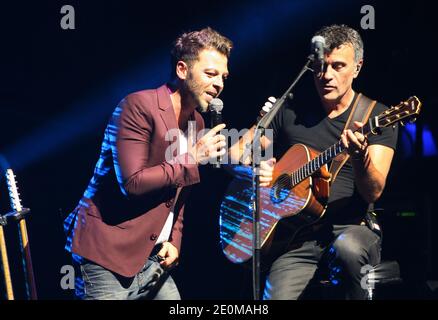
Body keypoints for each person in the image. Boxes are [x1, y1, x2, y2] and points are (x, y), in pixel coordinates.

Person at [228, 24, 398, 299]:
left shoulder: (375, 116)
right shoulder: (291, 108)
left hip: (351, 227)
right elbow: (236, 156)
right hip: (295, 236)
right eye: (320, 66)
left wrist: (357, 157)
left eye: (338, 66)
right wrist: (253, 169)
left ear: (357, 67)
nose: (326, 75)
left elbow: (373, 191)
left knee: (349, 249)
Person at [63, 27, 232, 300]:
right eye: (210, 74)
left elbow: (180, 191)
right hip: (106, 251)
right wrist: (192, 158)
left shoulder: (197, 123)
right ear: (182, 70)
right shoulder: (138, 106)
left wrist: (175, 240)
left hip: (151, 254)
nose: (219, 84)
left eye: (223, 77)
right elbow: (132, 182)